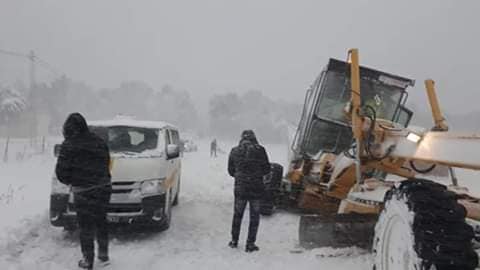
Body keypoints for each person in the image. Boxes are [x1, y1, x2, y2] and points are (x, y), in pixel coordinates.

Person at [55, 113, 112, 270]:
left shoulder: (69, 145)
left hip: (84, 191)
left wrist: (74, 180)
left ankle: (88, 260)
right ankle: (103, 253)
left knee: (86, 226)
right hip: (103, 188)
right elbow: (107, 163)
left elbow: (61, 173)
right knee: (101, 220)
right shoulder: (99, 142)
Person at [227, 130, 270, 252]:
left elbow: (230, 170)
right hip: (256, 188)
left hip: (241, 188)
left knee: (237, 215)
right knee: (254, 217)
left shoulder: (234, 151)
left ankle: (234, 241)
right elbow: (266, 169)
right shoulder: (260, 150)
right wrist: (256, 175)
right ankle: (250, 244)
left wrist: (240, 176)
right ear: (254, 138)